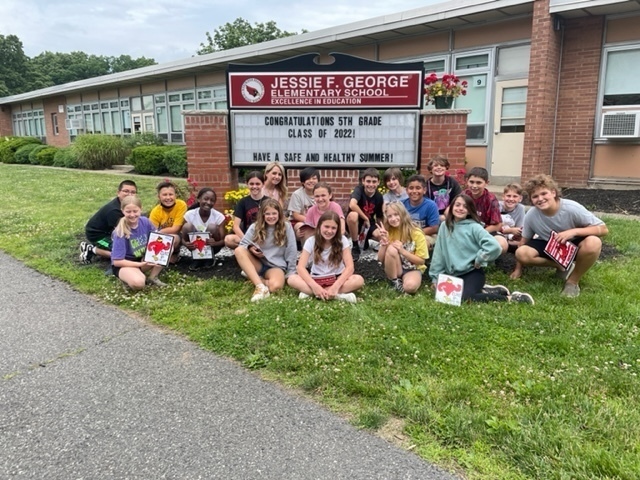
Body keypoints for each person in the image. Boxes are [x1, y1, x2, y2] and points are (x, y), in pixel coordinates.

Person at [515, 174, 608, 297]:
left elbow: (603, 229)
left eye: (544, 193)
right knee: (522, 252)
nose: (540, 198)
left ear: (553, 192)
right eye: (535, 196)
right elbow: (524, 241)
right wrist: (518, 269)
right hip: (549, 246)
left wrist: (573, 232)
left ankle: (572, 282)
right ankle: (561, 266)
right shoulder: (531, 215)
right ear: (531, 200)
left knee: (594, 242)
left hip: (574, 244)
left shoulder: (571, 208)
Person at [429, 194, 534, 304]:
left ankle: (511, 298)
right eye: (457, 205)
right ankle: (486, 290)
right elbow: (438, 253)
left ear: (470, 211)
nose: (460, 208)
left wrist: (480, 258)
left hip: (471, 272)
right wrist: (435, 278)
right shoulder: (445, 226)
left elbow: (494, 246)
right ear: (451, 207)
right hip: (452, 274)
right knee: (448, 297)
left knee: (465, 298)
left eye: (465, 206)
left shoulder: (475, 227)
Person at [287, 211, 364, 303]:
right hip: (316, 279)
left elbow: (350, 267)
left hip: (337, 278)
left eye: (333, 228)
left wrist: (335, 286)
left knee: (359, 280)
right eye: (326, 227)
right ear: (319, 226)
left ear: (338, 229)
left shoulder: (342, 240)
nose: (329, 231)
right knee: (292, 279)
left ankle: (314, 294)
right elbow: (301, 267)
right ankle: (336, 295)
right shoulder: (311, 241)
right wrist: (315, 286)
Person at [234, 198, 297, 302]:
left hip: (275, 266)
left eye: (274, 213)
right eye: (267, 214)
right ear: (262, 215)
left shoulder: (286, 227)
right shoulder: (255, 226)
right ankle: (260, 287)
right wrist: (250, 247)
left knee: (275, 287)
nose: (271, 217)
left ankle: (254, 278)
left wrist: (291, 272)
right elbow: (243, 244)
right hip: (258, 262)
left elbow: (291, 250)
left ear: (279, 214)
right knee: (239, 250)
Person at [111, 195, 167, 290]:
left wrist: (160, 255)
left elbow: (158, 237)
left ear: (140, 209)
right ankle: (128, 277)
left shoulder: (145, 221)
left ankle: (153, 277)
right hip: (125, 264)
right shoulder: (119, 232)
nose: (132, 215)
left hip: (141, 259)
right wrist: (140, 265)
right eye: (128, 212)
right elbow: (117, 262)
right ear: (122, 211)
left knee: (168, 246)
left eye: (135, 211)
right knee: (139, 283)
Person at [80, 180, 138, 264]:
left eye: (133, 192)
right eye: (126, 191)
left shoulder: (130, 205)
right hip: (97, 235)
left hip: (110, 231)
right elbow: (124, 232)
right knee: (122, 253)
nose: (129, 194)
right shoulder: (114, 211)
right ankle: (91, 249)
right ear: (118, 193)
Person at [377, 201, 428, 294]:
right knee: (391, 249)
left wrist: (402, 251)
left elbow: (421, 261)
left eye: (396, 214)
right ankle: (395, 282)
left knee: (410, 287)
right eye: (389, 216)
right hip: (396, 268)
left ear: (403, 214)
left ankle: (404, 282)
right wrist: (384, 243)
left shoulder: (416, 232)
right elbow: (380, 259)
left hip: (413, 267)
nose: (393, 219)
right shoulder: (389, 231)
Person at [464, 167, 508, 254]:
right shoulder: (464, 195)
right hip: (466, 230)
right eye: (471, 182)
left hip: (486, 231)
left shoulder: (491, 199)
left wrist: (480, 233)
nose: (474, 186)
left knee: (502, 245)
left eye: (479, 182)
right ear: (467, 181)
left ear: (486, 183)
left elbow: (498, 225)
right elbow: (450, 212)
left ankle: (484, 259)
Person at [180, 187, 226, 271]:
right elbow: (182, 237)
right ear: (198, 199)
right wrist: (186, 244)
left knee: (212, 226)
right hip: (194, 247)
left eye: (212, 200)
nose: (208, 202)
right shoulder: (189, 215)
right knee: (187, 226)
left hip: (212, 247)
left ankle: (209, 257)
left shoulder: (219, 217)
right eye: (205, 199)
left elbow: (223, 241)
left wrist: (215, 243)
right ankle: (197, 258)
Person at [224, 171, 269, 249]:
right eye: (251, 184)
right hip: (248, 237)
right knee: (228, 239)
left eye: (258, 184)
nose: (254, 186)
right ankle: (249, 248)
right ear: (246, 184)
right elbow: (236, 226)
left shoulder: (269, 201)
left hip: (265, 237)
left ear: (263, 184)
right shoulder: (242, 202)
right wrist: (248, 242)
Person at [347, 168, 384, 261]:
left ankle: (365, 241)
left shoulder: (379, 197)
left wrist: (382, 233)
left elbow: (379, 217)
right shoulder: (359, 190)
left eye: (374, 181)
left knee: (380, 235)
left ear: (378, 182)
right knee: (353, 215)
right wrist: (365, 218)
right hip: (355, 223)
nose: (371, 185)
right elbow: (352, 204)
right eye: (368, 181)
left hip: (368, 225)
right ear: (363, 181)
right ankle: (355, 245)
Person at [149, 180, 187, 263]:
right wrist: (158, 234)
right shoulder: (155, 211)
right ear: (159, 197)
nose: (168, 197)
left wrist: (160, 231)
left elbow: (176, 229)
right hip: (160, 238)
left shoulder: (181, 205)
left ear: (175, 195)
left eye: (171, 194)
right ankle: (157, 258)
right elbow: (152, 234)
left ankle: (174, 253)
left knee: (173, 237)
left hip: (178, 236)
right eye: (164, 195)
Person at [402, 174, 439, 247]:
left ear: (424, 190)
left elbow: (434, 228)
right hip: (405, 234)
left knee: (421, 243)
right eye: (411, 188)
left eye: (418, 188)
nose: (414, 191)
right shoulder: (401, 204)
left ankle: (419, 258)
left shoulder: (431, 205)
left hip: (427, 234)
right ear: (406, 190)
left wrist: (413, 234)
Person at [499, 183, 526, 279]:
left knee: (525, 241)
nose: (511, 199)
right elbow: (493, 227)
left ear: (520, 198)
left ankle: (519, 267)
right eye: (508, 196)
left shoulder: (521, 208)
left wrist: (518, 233)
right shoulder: (497, 206)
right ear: (503, 196)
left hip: (512, 237)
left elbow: (520, 226)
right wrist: (510, 230)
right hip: (499, 234)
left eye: (515, 196)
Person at [289, 167, 319, 239]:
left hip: (318, 222)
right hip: (299, 222)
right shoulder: (297, 194)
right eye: (308, 179)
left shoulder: (322, 194)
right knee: (304, 229)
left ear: (318, 180)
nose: (311, 181)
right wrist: (312, 222)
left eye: (314, 178)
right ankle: (305, 249)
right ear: (302, 182)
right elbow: (296, 215)